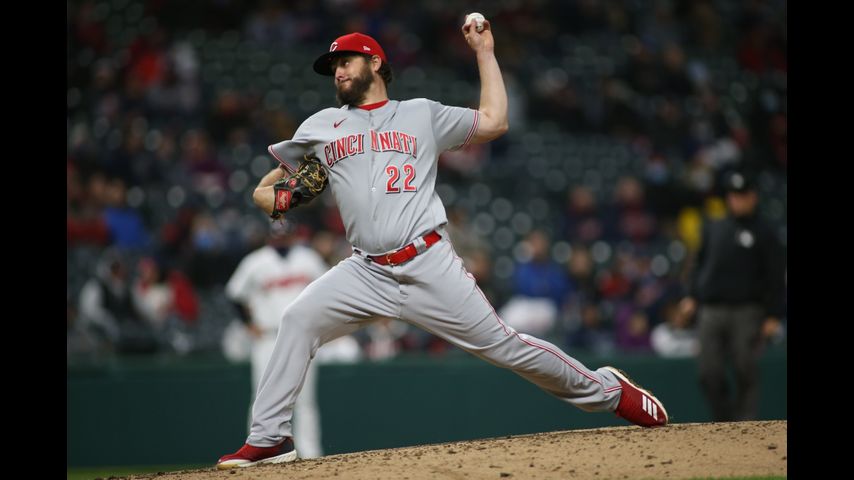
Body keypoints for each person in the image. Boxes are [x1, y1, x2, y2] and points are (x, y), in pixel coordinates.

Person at [217, 19, 669, 470]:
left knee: (504, 346)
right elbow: (273, 185)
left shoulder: (421, 114)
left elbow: (495, 121)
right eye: (333, 65)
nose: (337, 71)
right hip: (365, 271)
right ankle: (270, 437)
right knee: (297, 319)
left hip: (426, 262)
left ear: (375, 62)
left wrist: (484, 53)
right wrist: (269, 196)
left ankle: (609, 391)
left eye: (346, 61)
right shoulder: (322, 125)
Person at [224, 220, 359, 459]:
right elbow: (234, 294)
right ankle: (259, 448)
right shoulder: (255, 262)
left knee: (305, 400)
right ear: (269, 237)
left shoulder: (307, 258)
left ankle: (310, 453)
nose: (282, 239)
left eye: (286, 235)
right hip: (268, 336)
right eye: (278, 235)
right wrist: (248, 325)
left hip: (303, 337)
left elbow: (328, 289)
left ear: (293, 236)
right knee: (262, 395)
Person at [678, 170, 785, 421]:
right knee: (708, 372)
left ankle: (745, 423)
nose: (737, 200)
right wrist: (692, 296)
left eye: (742, 195)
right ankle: (725, 422)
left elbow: (775, 278)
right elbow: (698, 265)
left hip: (747, 310)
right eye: (734, 195)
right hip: (711, 310)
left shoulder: (764, 232)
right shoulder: (714, 227)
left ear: (753, 197)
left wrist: (773, 314)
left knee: (744, 367)